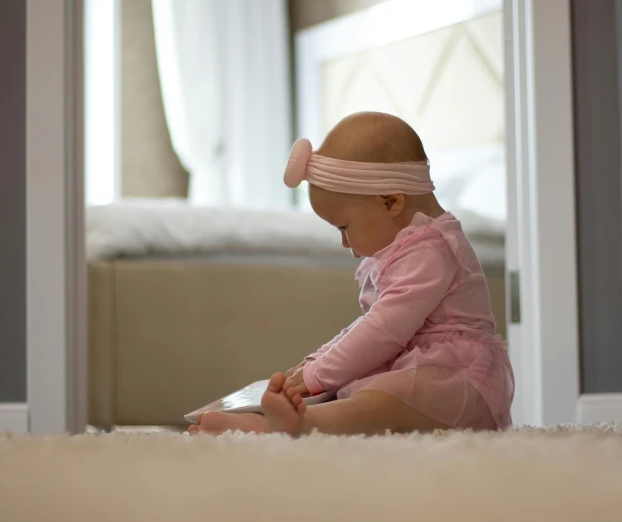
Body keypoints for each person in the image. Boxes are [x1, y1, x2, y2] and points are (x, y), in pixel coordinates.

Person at [188, 112, 514, 437]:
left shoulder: (431, 252)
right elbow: (372, 323)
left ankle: (301, 426)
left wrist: (319, 373)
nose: (345, 243)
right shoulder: (411, 246)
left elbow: (383, 329)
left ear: (390, 202)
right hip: (421, 367)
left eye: (344, 227)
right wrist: (319, 359)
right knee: (358, 390)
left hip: (459, 381)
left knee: (381, 401)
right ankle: (269, 423)